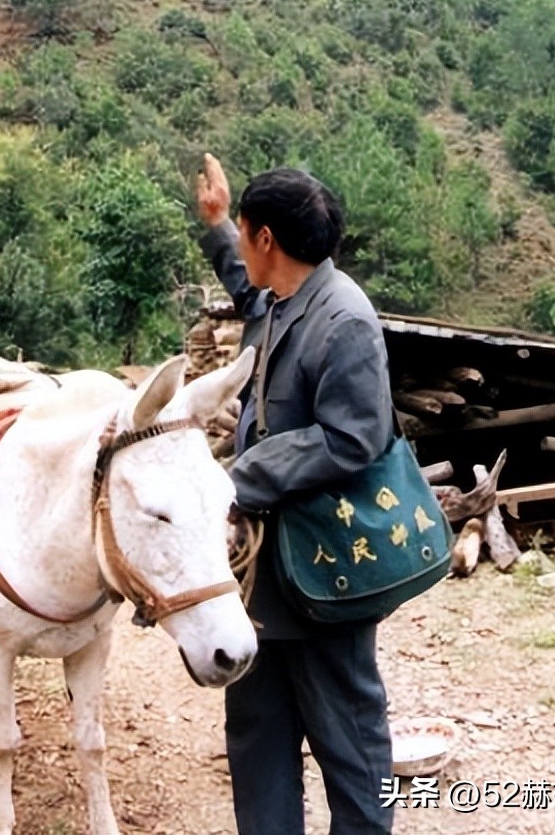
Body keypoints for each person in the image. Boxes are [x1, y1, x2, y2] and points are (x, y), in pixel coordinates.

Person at [196, 153, 395, 835]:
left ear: (270, 241)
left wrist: (234, 479)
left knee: (349, 745)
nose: (244, 246)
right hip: (264, 578)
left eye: (246, 231)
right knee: (256, 737)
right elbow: (251, 296)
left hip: (324, 575)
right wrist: (221, 226)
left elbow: (353, 438)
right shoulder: (284, 300)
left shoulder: (346, 321)